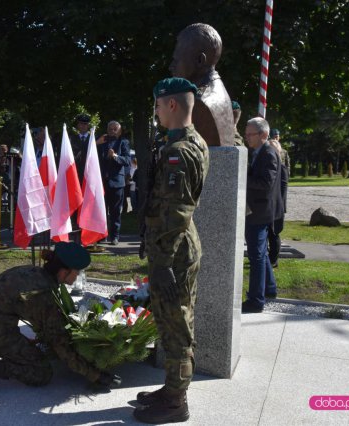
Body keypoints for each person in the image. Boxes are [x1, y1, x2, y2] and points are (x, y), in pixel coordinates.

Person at [134, 77, 209, 424]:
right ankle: (171, 387)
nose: (157, 112)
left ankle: (177, 401)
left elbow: (175, 212)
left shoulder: (179, 151)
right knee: (172, 319)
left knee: (176, 323)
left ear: (173, 105)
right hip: (175, 246)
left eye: (159, 105)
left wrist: (161, 262)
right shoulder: (189, 142)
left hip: (173, 250)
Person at [0, 241, 121, 392]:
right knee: (40, 372)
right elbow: (60, 344)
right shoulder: (44, 294)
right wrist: (95, 375)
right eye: (77, 272)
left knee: (30, 352)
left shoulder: (34, 272)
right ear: (64, 272)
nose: (77, 276)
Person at [242, 117, 283, 313]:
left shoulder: (268, 153)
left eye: (250, 134)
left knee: (256, 255)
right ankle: (269, 289)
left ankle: (256, 301)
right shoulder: (258, 152)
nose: (246, 137)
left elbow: (266, 183)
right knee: (261, 253)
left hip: (260, 212)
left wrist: (242, 177)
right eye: (246, 133)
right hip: (259, 210)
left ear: (264, 135)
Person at [170, 23, 234, 147]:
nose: (171, 66)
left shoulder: (199, 102)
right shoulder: (217, 91)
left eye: (177, 60)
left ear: (200, 60)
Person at [96, 120, 130, 245]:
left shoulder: (124, 142)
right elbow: (90, 155)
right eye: (110, 128)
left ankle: (114, 236)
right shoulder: (101, 142)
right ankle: (102, 235)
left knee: (115, 212)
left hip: (117, 182)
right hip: (101, 182)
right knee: (101, 210)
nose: (112, 131)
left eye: (115, 129)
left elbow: (127, 160)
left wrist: (115, 156)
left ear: (119, 131)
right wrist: (95, 143)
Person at [267, 129, 289, 267]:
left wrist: (279, 206)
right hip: (270, 206)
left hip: (276, 206)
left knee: (274, 233)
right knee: (269, 234)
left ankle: (273, 260)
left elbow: (282, 189)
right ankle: (269, 258)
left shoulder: (282, 166)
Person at [71, 113, 92, 185]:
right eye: (81, 123)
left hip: (90, 173)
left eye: (85, 124)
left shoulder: (93, 139)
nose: (83, 126)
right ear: (78, 125)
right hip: (76, 172)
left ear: (88, 125)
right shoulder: (71, 139)